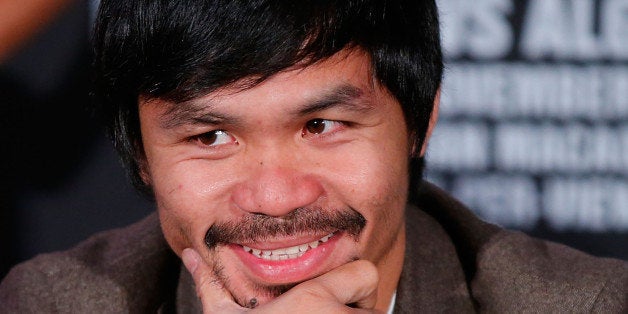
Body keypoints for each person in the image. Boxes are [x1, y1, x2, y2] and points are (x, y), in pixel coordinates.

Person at [1, 0, 626, 312]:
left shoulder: (586, 304)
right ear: (139, 154)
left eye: (321, 125)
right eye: (209, 138)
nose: (274, 197)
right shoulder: (57, 302)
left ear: (421, 124)